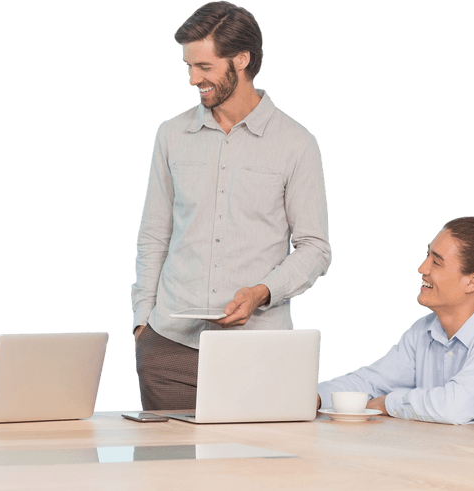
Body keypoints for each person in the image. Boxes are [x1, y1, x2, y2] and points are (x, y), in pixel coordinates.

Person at [131, 1, 332, 410]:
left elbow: (315, 248)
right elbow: (154, 235)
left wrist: (262, 292)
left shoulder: (297, 143)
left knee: (253, 455)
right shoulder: (171, 135)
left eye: (204, 67)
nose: (193, 79)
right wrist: (142, 323)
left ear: (241, 59)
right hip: (168, 349)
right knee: (168, 455)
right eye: (189, 66)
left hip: (257, 352)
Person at [318, 217, 474, 433]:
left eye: (436, 262)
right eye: (427, 256)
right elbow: (372, 382)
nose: (422, 268)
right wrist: (315, 397)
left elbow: (455, 407)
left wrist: (387, 403)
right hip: (443, 454)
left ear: (472, 281)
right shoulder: (424, 331)